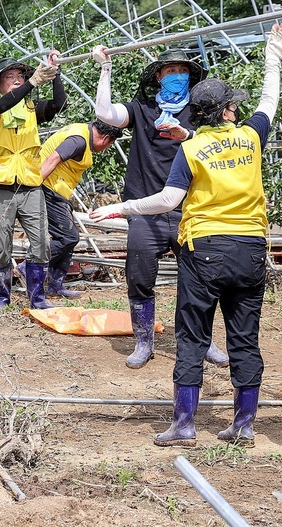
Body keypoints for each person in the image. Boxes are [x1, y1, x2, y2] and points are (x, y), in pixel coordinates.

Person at [91, 24, 282, 447]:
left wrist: (120, 207)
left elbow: (167, 199)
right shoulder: (252, 137)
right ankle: (244, 425)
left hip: (205, 251)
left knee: (192, 334)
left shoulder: (191, 149)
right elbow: (271, 95)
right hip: (251, 251)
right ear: (228, 111)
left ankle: (184, 424)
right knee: (245, 338)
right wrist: (275, 47)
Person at [91, 45, 229, 369]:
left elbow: (218, 143)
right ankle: (143, 341)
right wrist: (105, 69)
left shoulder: (197, 115)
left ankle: (202, 339)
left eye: (182, 71)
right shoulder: (142, 109)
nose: (177, 76)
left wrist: (188, 134)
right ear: (158, 76)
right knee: (139, 277)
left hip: (188, 211)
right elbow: (105, 114)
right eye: (170, 71)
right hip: (143, 208)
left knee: (200, 279)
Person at [0, 53, 66, 310]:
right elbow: (1, 106)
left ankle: (37, 298)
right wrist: (32, 82)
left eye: (20, 77)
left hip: (30, 187)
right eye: (10, 77)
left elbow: (59, 105)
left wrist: (55, 73)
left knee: (41, 243)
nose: (17, 81)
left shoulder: (31, 109)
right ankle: (2, 299)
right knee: (0, 246)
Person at [36, 119, 123, 298]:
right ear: (106, 139)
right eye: (108, 145)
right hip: (50, 189)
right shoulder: (78, 141)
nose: (105, 149)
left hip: (59, 191)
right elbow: (52, 159)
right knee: (68, 237)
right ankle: (32, 264)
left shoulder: (81, 133)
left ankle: (55, 285)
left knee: (69, 239)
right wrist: (32, 187)